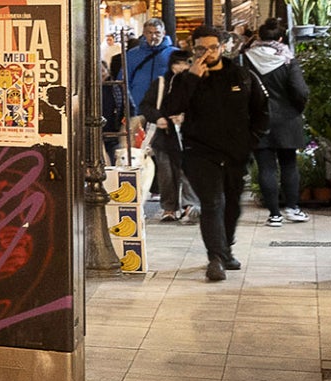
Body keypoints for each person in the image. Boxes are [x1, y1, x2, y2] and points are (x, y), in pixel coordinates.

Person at [162, 25, 268, 283]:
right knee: (212, 202)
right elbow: (171, 107)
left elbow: (261, 112)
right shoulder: (185, 78)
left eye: (212, 47)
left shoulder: (241, 75)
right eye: (200, 48)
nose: (207, 53)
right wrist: (192, 78)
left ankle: (225, 250)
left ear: (223, 47)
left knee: (232, 204)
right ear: (192, 47)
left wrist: (250, 141)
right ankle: (216, 259)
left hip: (235, 153)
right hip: (199, 152)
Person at [244, 22, 313, 226]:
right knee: (289, 164)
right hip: (286, 118)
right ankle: (292, 208)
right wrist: (296, 109)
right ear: (280, 39)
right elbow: (300, 91)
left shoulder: (246, 59)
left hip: (257, 120)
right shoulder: (287, 60)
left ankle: (274, 215)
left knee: (266, 167)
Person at [112, 20, 175, 183]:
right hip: (137, 111)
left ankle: (158, 188)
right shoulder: (133, 55)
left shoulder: (173, 55)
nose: (153, 36)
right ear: (144, 33)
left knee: (163, 153)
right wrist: (128, 104)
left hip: (162, 113)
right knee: (134, 150)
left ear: (164, 33)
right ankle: (134, 185)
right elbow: (122, 80)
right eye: (150, 32)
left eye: (157, 33)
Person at [140, 50, 194, 223]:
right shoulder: (161, 83)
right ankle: (169, 208)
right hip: (164, 136)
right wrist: (158, 118)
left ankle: (189, 206)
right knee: (166, 173)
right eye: (178, 63)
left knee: (187, 171)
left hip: (188, 136)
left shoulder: (196, 84)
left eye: (186, 63)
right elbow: (146, 105)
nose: (182, 67)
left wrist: (185, 117)